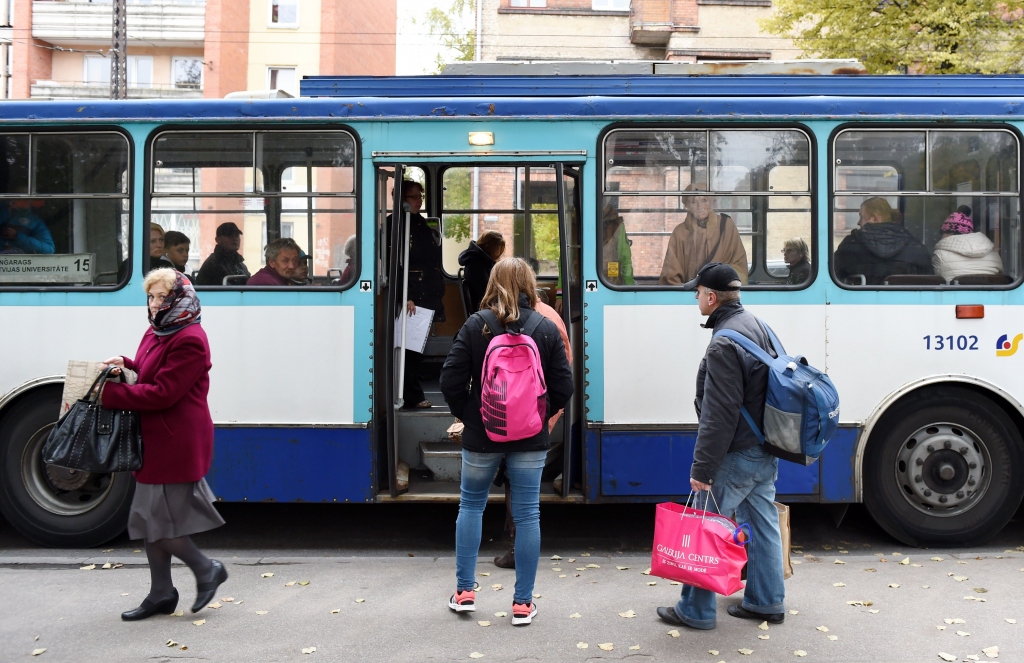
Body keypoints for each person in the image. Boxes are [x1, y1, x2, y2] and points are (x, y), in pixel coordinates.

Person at [440, 257, 573, 626]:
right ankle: (522, 604)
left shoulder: (475, 325)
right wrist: (538, 416)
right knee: (528, 515)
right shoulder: (545, 328)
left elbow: (450, 380)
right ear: (529, 284)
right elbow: (564, 386)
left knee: (471, 507)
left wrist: (471, 415)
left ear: (492, 283)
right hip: (530, 437)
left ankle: (464, 593)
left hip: (482, 435)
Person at [657, 262, 785, 631]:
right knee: (762, 523)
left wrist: (703, 468)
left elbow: (720, 413)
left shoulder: (724, 343)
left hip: (737, 451)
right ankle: (766, 601)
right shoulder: (757, 325)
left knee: (706, 526)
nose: (696, 298)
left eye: (698, 293)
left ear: (712, 297)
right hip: (764, 446)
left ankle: (695, 610)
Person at [100, 268, 227, 621]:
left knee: (157, 524)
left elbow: (164, 393)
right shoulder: (158, 329)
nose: (155, 304)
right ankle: (161, 593)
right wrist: (125, 365)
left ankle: (207, 569)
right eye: (151, 297)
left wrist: (111, 395)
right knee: (148, 521)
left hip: (177, 440)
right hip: (156, 439)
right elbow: (147, 371)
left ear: (179, 299)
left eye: (162, 297)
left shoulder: (190, 339)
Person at [493, 289, 572, 570]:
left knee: (514, 481)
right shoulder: (549, 317)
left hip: (511, 413)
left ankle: (516, 547)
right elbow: (563, 374)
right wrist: (545, 412)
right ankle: (518, 547)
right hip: (535, 412)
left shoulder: (500, 317)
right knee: (522, 481)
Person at [391, 180, 444, 409]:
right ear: (401, 200)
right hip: (412, 292)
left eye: (420, 197)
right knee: (409, 348)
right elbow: (395, 265)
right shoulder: (395, 225)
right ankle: (410, 394)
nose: (419, 201)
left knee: (417, 346)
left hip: (426, 291)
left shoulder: (420, 223)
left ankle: (411, 389)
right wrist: (406, 295)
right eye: (413, 197)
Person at [659, 185, 748, 286]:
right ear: (687, 206)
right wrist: (690, 290)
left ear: (711, 202)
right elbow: (670, 275)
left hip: (721, 291)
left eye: (704, 200)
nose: (699, 206)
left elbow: (739, 265)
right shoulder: (679, 232)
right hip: (692, 292)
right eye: (693, 202)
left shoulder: (727, 226)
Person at [833, 196, 932, 285]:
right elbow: (928, 281)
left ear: (875, 218)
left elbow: (833, 274)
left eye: (862, 217)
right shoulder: (915, 246)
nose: (858, 223)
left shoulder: (851, 243)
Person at [932, 209, 1004, 282]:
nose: (941, 236)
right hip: (990, 289)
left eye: (943, 233)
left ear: (949, 233)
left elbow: (937, 282)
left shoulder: (939, 255)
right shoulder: (993, 253)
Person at [458, 230, 505, 312]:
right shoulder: (476, 265)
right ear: (487, 246)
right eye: (497, 250)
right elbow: (487, 292)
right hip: (484, 307)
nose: (499, 254)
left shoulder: (482, 262)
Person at [601, 204, 635, 286]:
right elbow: (625, 256)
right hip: (611, 280)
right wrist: (630, 284)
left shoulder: (583, 220)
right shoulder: (617, 225)